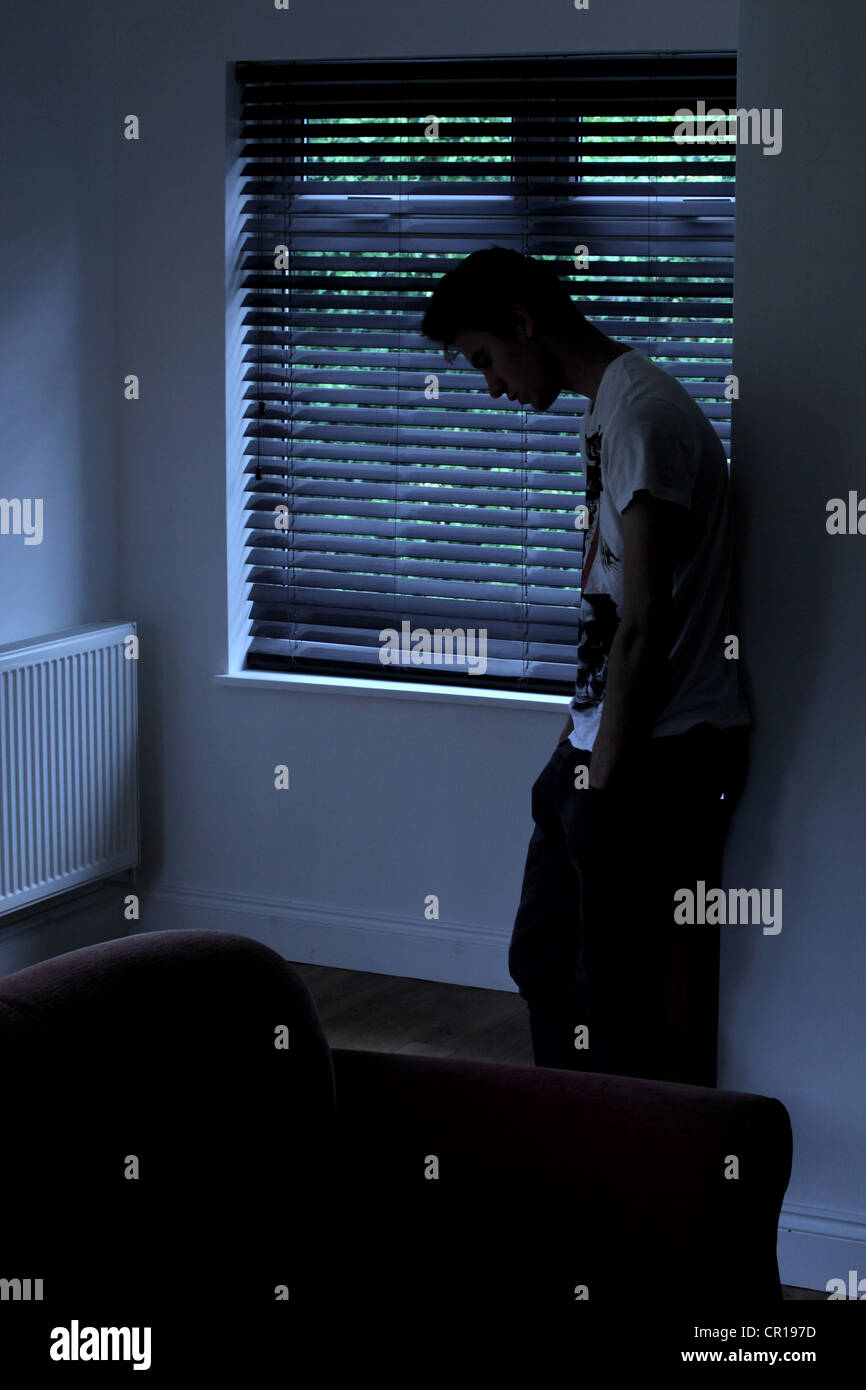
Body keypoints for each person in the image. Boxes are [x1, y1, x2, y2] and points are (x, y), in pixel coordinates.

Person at [420, 246, 752, 1086]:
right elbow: (611, 615)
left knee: (613, 999)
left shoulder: (642, 418)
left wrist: (600, 785)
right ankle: (565, 1148)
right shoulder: (607, 412)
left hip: (659, 752)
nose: (489, 384)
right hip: (607, 741)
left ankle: (618, 1181)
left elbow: (645, 624)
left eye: (486, 359)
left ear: (525, 323)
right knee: (542, 960)